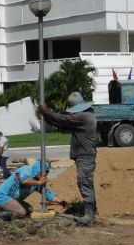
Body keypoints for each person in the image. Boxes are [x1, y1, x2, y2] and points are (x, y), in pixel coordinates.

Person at [39, 92, 98, 226]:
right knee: (85, 184)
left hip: (85, 157)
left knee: (85, 184)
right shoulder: (87, 116)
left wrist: (46, 111)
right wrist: (48, 117)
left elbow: (63, 120)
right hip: (85, 156)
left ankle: (88, 217)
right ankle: (91, 212)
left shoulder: (83, 116)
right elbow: (64, 124)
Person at [0, 159, 66, 221]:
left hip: (11, 199)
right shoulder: (26, 169)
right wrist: (39, 182)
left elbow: (47, 193)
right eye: (45, 171)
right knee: (21, 212)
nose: (45, 174)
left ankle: (6, 212)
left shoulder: (36, 182)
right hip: (1, 196)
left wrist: (60, 202)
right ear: (38, 169)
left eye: (47, 172)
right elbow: (24, 181)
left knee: (29, 209)